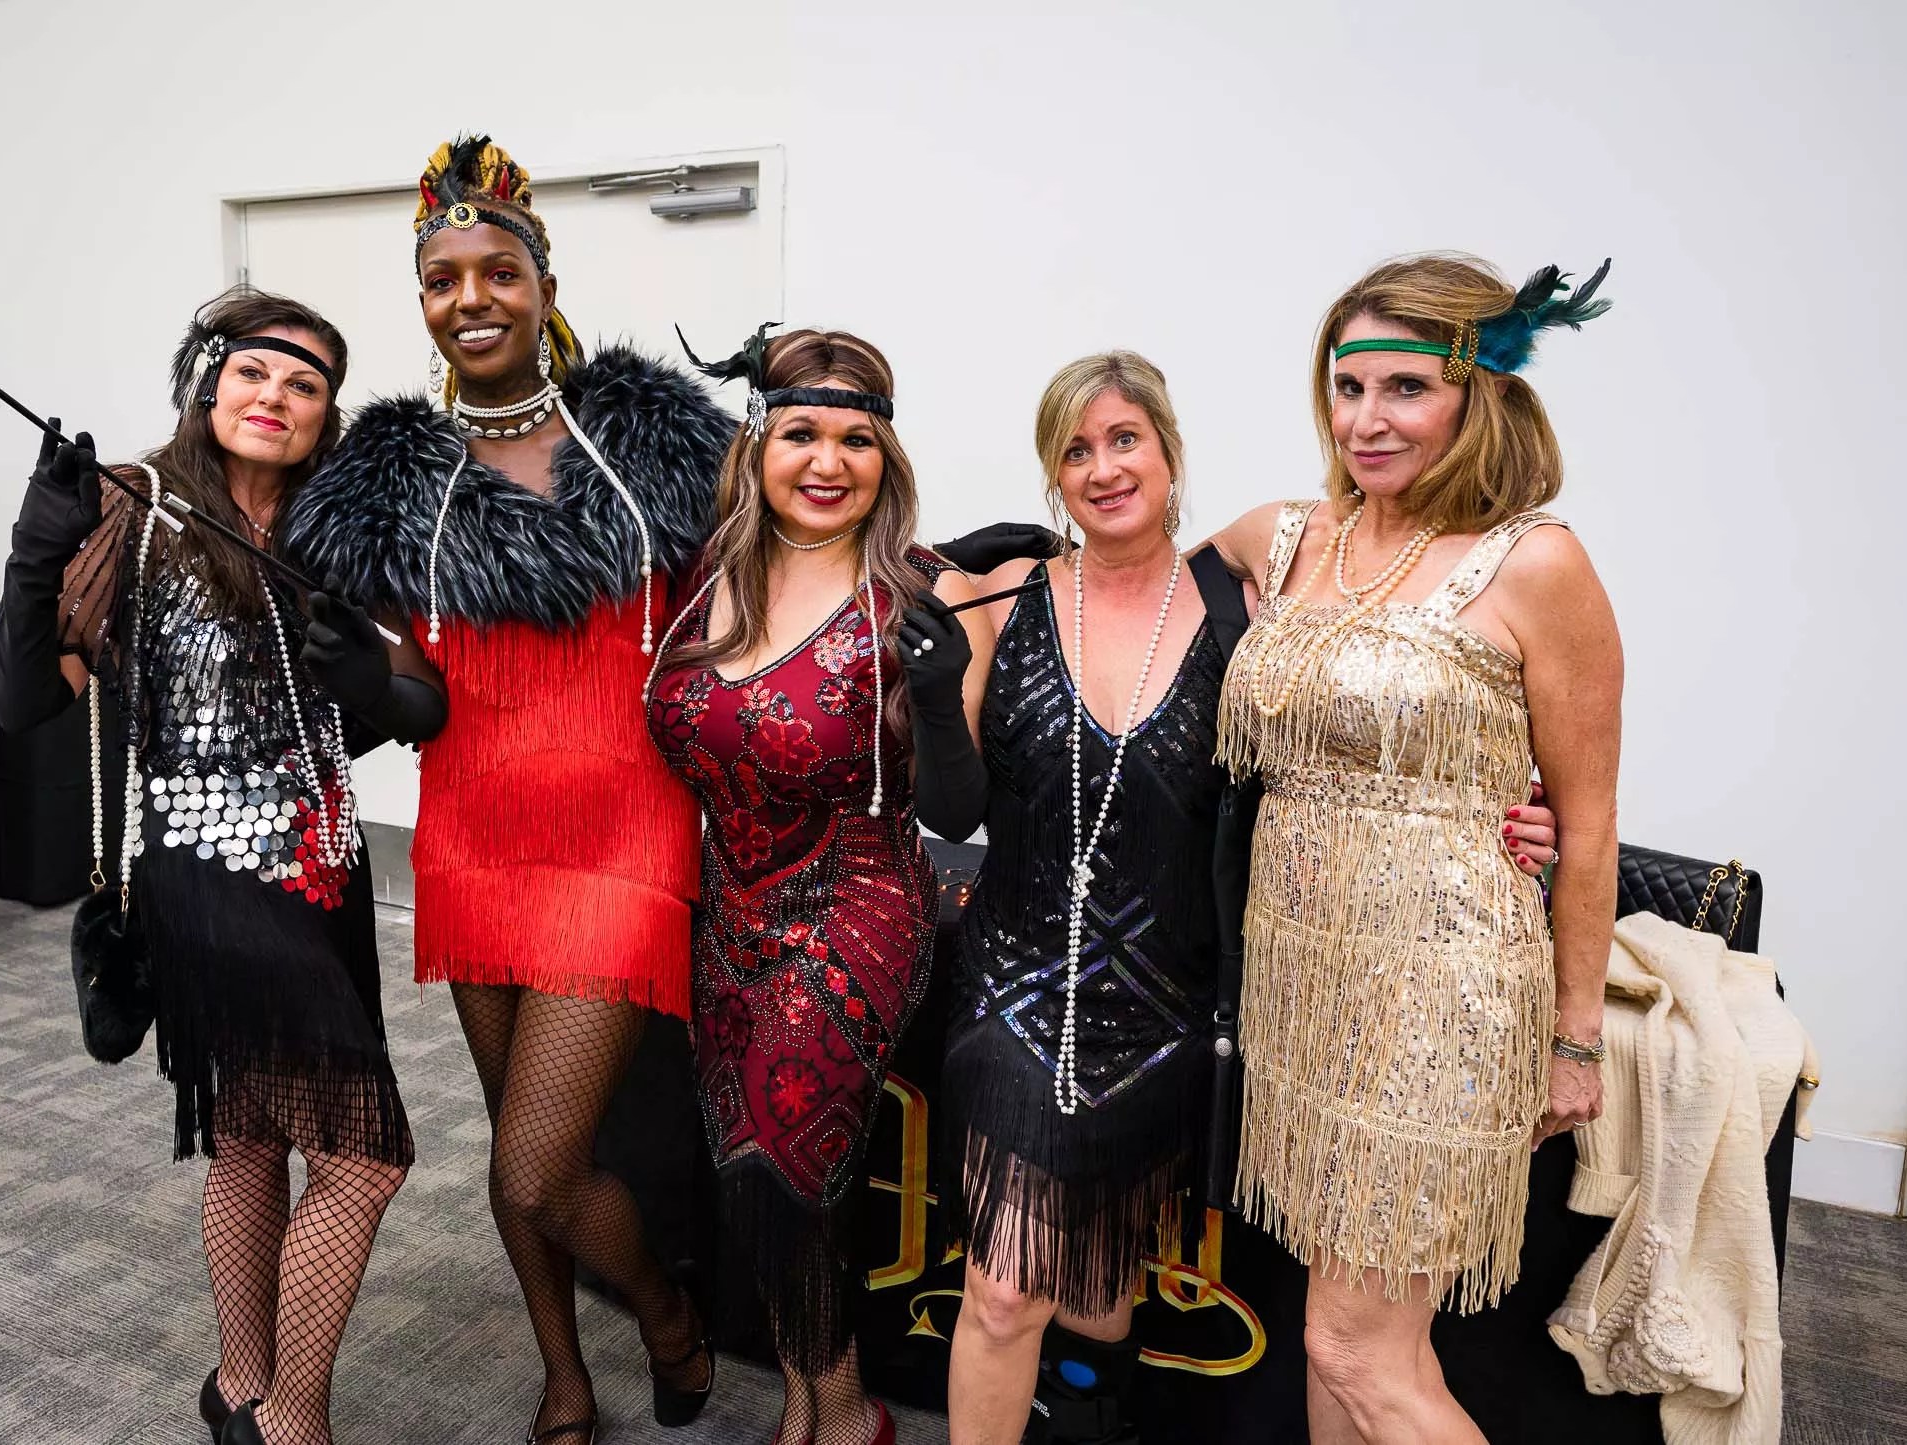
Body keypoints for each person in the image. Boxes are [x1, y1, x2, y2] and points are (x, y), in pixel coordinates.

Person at [924, 352, 1562, 1445]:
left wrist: (1503, 818)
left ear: (1170, 452)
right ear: (1051, 475)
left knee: (1098, 1274)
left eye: (1125, 438)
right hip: (1019, 986)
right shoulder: (1004, 593)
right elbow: (950, 803)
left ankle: (1091, 1416)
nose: (1103, 467)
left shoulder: (1248, 601)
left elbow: (1354, 740)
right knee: (1004, 1288)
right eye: (1075, 450)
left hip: (1173, 1003)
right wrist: (935, 677)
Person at [279, 135, 732, 1445]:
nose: (470, 298)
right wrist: (356, 666)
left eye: (497, 273)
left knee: (538, 1165)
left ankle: (665, 1315)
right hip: (472, 833)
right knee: (514, 1149)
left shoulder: (654, 442)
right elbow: (400, 679)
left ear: (543, 285)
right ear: (422, 299)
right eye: (443, 279)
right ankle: (564, 1373)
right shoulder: (388, 481)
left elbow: (760, 583)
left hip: (626, 831)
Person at [0, 289, 439, 1445]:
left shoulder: (339, 528)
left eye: (304, 384)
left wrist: (369, 681)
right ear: (210, 382)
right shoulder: (135, 513)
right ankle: (293, 1420)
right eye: (254, 372)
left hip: (323, 874)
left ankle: (239, 1385)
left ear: (327, 410)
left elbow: (420, 702)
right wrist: (36, 550)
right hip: (205, 875)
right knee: (365, 1155)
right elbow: (24, 698)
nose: (274, 396)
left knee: (251, 1135)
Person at [1213, 254, 1623, 1444]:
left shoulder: (1536, 561)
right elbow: (1128, 580)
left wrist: (1575, 1037)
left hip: (1443, 991)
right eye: (1349, 388)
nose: (1367, 420)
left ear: (1475, 393)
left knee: (1358, 1347)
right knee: (1333, 1341)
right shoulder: (1285, 537)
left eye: (1405, 388)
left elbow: (1589, 824)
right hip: (1304, 989)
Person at [644, 326, 991, 1445]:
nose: (828, 461)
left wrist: (937, 696)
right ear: (759, 446)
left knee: (787, 1165)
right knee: (746, 1166)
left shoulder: (921, 592)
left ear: (888, 456)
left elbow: (956, 811)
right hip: (727, 906)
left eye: (857, 439)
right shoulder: (707, 576)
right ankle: (804, 1402)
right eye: (801, 433)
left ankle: (846, 1415)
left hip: (859, 901)